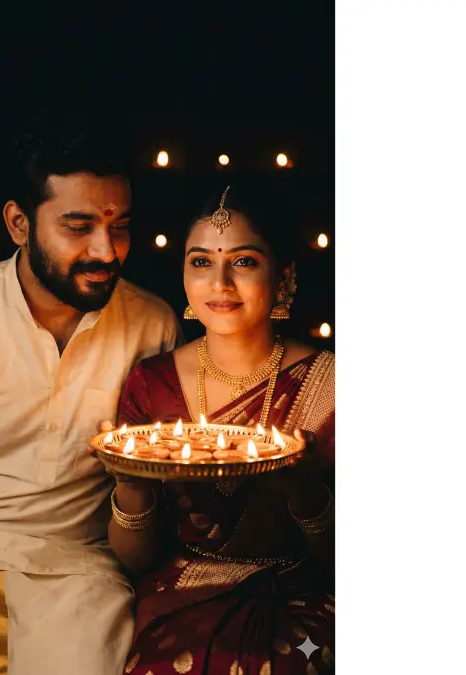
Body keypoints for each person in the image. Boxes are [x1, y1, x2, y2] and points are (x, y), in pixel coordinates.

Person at [0, 113, 183, 675]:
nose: (106, 251)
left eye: (120, 226)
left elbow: (149, 514)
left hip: (82, 579)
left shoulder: (152, 326)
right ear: (17, 223)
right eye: (78, 226)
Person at [101, 182, 336, 675]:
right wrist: (130, 486)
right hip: (181, 601)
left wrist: (306, 494)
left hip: (303, 599)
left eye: (244, 261)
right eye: (201, 261)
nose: (220, 283)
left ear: (283, 274)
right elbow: (135, 561)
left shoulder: (331, 384)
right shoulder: (153, 382)